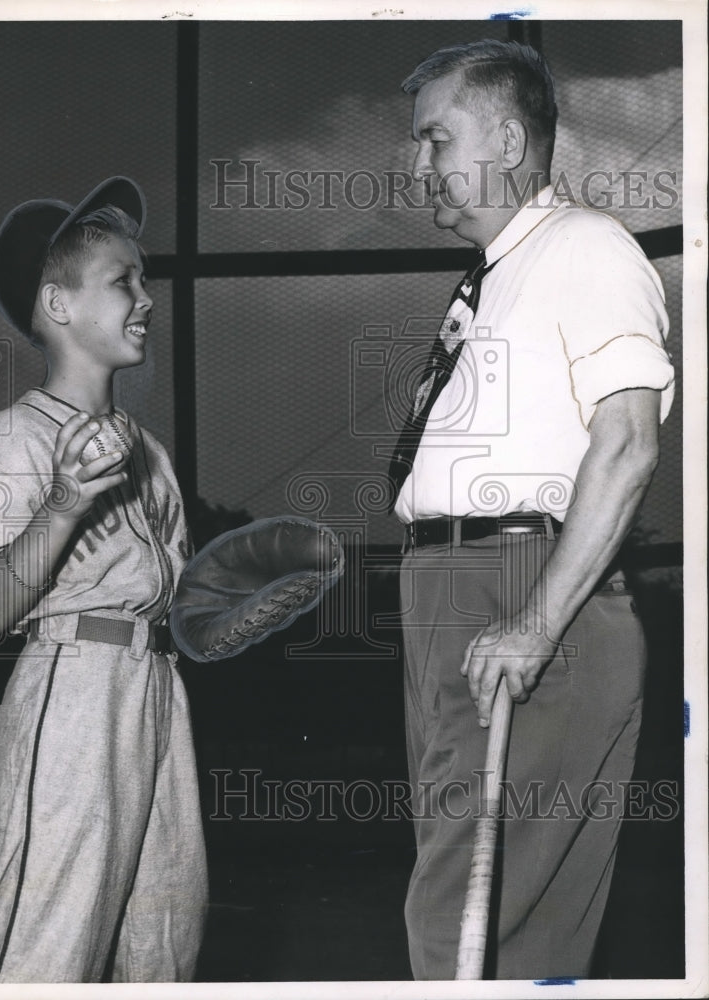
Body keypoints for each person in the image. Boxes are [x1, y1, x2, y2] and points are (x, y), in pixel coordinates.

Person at [390, 41, 675, 979]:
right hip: (453, 591)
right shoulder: (497, 273)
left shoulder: (584, 245)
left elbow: (628, 442)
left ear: (508, 138)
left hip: (522, 588)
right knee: (495, 923)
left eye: (437, 138)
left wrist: (534, 621)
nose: (417, 163)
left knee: (462, 924)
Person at [0, 177, 208, 983]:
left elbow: (171, 597)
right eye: (122, 280)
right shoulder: (17, 435)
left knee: (162, 936)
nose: (146, 298)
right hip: (72, 689)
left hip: (156, 689)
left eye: (145, 279)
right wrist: (61, 504)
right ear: (58, 307)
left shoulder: (149, 451)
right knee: (48, 944)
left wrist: (227, 601)